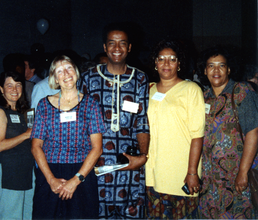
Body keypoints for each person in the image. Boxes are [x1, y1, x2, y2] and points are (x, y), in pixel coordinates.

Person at [79, 22, 150, 219]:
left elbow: (142, 121)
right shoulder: (87, 79)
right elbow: (80, 122)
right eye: (112, 43)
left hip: (128, 162)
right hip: (97, 161)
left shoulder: (140, 79)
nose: (117, 48)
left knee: (131, 212)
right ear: (104, 47)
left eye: (122, 44)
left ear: (129, 47)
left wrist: (142, 156)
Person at [31, 55, 105, 219]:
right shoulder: (44, 104)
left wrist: (75, 180)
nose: (66, 73)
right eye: (60, 71)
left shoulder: (91, 104)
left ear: (76, 72)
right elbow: (36, 146)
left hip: (82, 172)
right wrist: (51, 180)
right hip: (50, 172)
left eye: (69, 68)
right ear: (55, 78)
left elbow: (97, 147)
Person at [145, 39, 205, 219]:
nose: (166, 63)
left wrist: (192, 172)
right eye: (161, 58)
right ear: (155, 63)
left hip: (180, 172)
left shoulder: (191, 89)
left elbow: (197, 135)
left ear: (179, 64)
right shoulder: (148, 90)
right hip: (153, 172)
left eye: (172, 59)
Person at [198, 46, 258, 218]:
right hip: (210, 177)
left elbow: (253, 132)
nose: (216, 70)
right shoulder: (203, 97)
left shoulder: (241, 92)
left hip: (235, 175)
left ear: (229, 69)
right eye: (211, 66)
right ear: (204, 70)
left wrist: (243, 172)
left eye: (221, 65)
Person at [0, 71, 35, 220]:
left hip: (26, 170)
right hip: (9, 171)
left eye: (18, 85)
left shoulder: (23, 113)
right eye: (9, 86)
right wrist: (27, 134)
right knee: (10, 215)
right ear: (1, 89)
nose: (14, 90)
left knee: (27, 214)